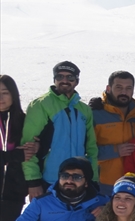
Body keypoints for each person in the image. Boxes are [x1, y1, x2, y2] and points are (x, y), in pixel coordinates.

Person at [21, 60, 98, 197]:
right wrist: (33, 181)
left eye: (70, 77)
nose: (65, 80)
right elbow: (27, 146)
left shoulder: (84, 110)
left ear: (77, 81)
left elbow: (91, 148)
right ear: (54, 79)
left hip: (78, 181)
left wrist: (93, 179)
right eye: (59, 77)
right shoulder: (41, 105)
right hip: (49, 181)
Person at [1, 75, 38, 221]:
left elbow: (35, 150)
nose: (1, 98)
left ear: (14, 95)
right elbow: (20, 155)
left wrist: (38, 145)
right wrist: (15, 155)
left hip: (13, 193)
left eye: (5, 93)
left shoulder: (24, 121)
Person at [88, 70, 135, 193]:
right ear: (108, 88)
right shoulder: (95, 114)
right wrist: (115, 150)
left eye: (128, 88)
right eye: (119, 87)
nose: (124, 92)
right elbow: (85, 151)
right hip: (103, 186)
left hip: (133, 185)